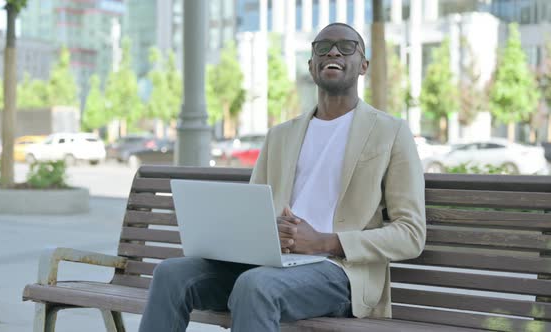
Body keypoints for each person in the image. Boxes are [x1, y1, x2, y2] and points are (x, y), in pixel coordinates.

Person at [139, 22, 426, 332]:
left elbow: (411, 234)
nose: (333, 51)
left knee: (257, 285)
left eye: (346, 46)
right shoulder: (280, 136)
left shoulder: (391, 132)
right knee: (171, 273)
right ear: (311, 65)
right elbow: (253, 212)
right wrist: (264, 232)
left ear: (363, 65)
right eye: (322, 47)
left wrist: (325, 242)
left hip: (341, 273)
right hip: (273, 265)